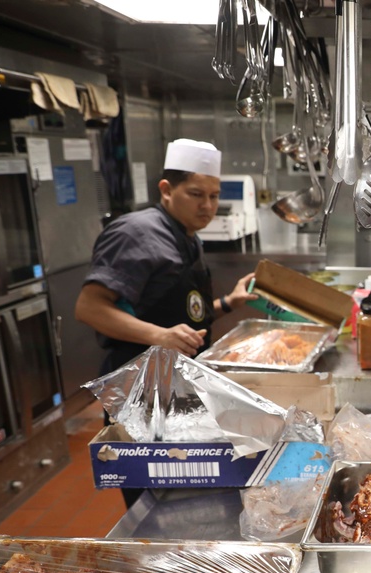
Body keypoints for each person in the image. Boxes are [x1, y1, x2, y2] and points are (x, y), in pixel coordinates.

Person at [76, 138, 256, 507]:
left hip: (179, 390)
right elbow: (89, 307)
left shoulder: (186, 236)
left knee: (189, 494)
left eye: (213, 195)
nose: (207, 206)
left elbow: (183, 316)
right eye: (195, 194)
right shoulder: (134, 233)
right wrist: (159, 336)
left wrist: (226, 304)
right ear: (166, 189)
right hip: (138, 392)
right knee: (153, 499)